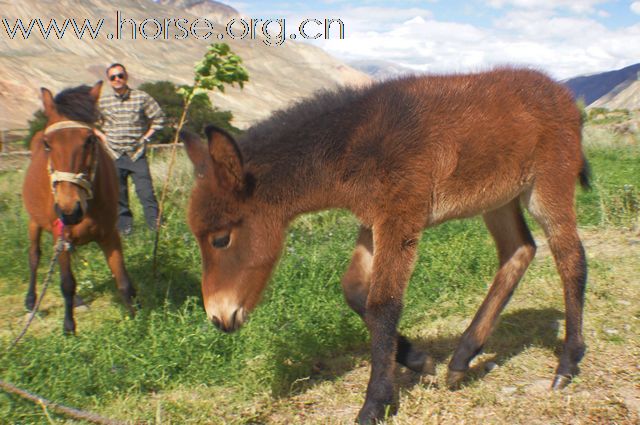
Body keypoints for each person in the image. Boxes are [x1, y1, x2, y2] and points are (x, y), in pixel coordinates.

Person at [94, 63, 165, 235]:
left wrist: (146, 137)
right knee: (119, 197)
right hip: (114, 155)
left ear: (126, 77)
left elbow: (159, 119)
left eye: (120, 75)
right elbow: (91, 124)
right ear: (109, 81)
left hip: (136, 154)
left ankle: (156, 231)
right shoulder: (103, 102)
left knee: (146, 194)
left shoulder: (141, 97)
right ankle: (125, 232)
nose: (117, 79)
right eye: (113, 77)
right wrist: (104, 138)